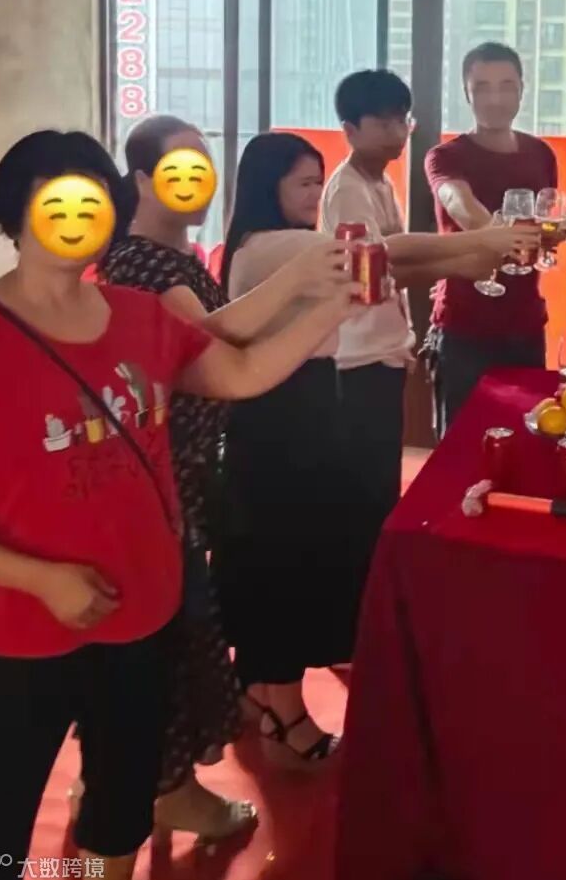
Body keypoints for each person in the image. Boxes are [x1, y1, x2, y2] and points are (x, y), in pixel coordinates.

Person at [0, 130, 358, 880]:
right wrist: (42, 579)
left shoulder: (139, 317)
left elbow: (239, 371)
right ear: (15, 213)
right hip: (23, 633)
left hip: (144, 615)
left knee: (121, 802)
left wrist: (335, 304)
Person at [215, 127, 524, 771]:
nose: (315, 195)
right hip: (280, 419)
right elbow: (382, 252)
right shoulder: (274, 246)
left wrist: (467, 258)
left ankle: (259, 693)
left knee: (280, 558)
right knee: (285, 563)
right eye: (304, 183)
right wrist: (481, 242)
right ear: (269, 187)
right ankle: (282, 711)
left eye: (315, 181)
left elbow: (386, 269)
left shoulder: (280, 245)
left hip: (293, 410)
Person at [103, 115, 347, 840]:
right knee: (163, 639)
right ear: (142, 180)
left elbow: (224, 348)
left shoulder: (175, 257)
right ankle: (159, 789)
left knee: (182, 632)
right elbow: (205, 340)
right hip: (151, 474)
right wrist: (309, 282)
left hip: (184, 470)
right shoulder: (138, 263)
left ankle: (155, 783)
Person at [424, 42, 557, 436]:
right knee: (462, 446)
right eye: (481, 87)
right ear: (467, 94)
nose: (494, 99)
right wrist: (498, 236)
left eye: (505, 86)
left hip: (526, 324)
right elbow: (457, 202)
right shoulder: (445, 156)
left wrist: (552, 237)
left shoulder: (541, 153)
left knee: (528, 441)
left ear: (521, 90)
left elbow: (545, 221)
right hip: (464, 327)